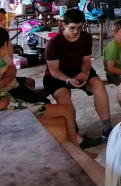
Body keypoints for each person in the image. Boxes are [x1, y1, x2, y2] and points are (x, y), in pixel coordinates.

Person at [0, 26, 82, 147]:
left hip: (7, 107)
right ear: (5, 45)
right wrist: (0, 104)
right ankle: (76, 150)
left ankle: (77, 149)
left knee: (66, 113)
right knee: (61, 126)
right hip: (1, 114)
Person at [42, 9, 113, 142]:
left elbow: (86, 61)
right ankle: (74, 134)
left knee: (98, 85)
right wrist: (68, 80)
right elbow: (54, 71)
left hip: (79, 70)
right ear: (64, 25)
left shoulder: (85, 37)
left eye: (79, 28)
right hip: (57, 76)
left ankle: (107, 128)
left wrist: (85, 73)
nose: (76, 31)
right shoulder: (54, 43)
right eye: (72, 28)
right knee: (64, 97)